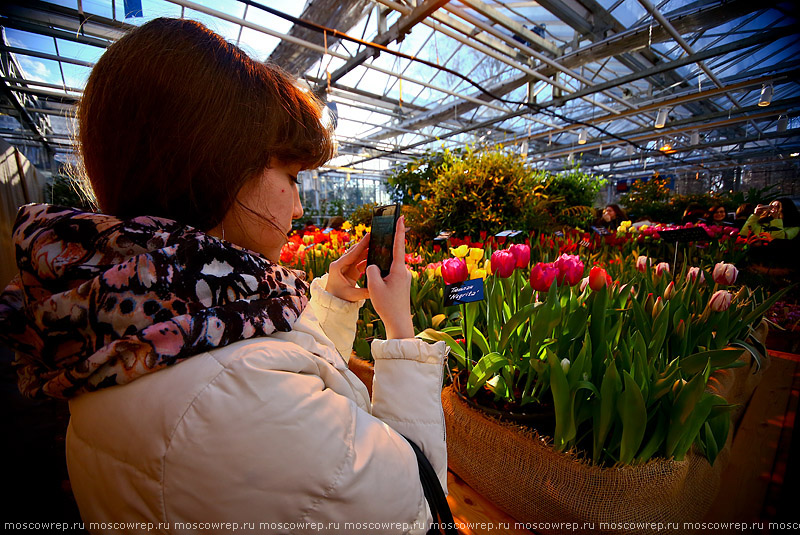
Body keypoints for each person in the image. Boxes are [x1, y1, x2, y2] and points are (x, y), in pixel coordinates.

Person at [0, 18, 448, 534]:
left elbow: (264, 357)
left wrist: (335, 300)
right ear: (219, 166)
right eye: (290, 176)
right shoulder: (241, 400)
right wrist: (400, 329)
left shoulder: (117, 319)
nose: (299, 206)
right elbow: (416, 500)